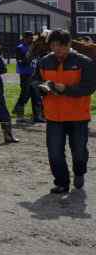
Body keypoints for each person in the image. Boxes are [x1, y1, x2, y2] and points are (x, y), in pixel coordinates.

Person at [32, 29, 95, 193]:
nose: (56, 49)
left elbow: (89, 88)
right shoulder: (44, 61)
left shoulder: (84, 62)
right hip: (53, 116)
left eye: (60, 46)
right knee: (54, 153)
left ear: (69, 45)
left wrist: (65, 89)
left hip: (78, 116)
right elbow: (34, 81)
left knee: (79, 151)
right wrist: (42, 88)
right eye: (53, 46)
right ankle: (61, 182)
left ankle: (79, 173)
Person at [13, 32, 42, 122]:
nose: (31, 40)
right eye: (29, 38)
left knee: (36, 95)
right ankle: (19, 115)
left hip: (34, 74)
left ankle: (37, 116)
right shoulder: (20, 48)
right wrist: (30, 54)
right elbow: (21, 62)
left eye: (32, 38)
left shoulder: (35, 47)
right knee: (25, 94)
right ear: (24, 38)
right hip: (25, 74)